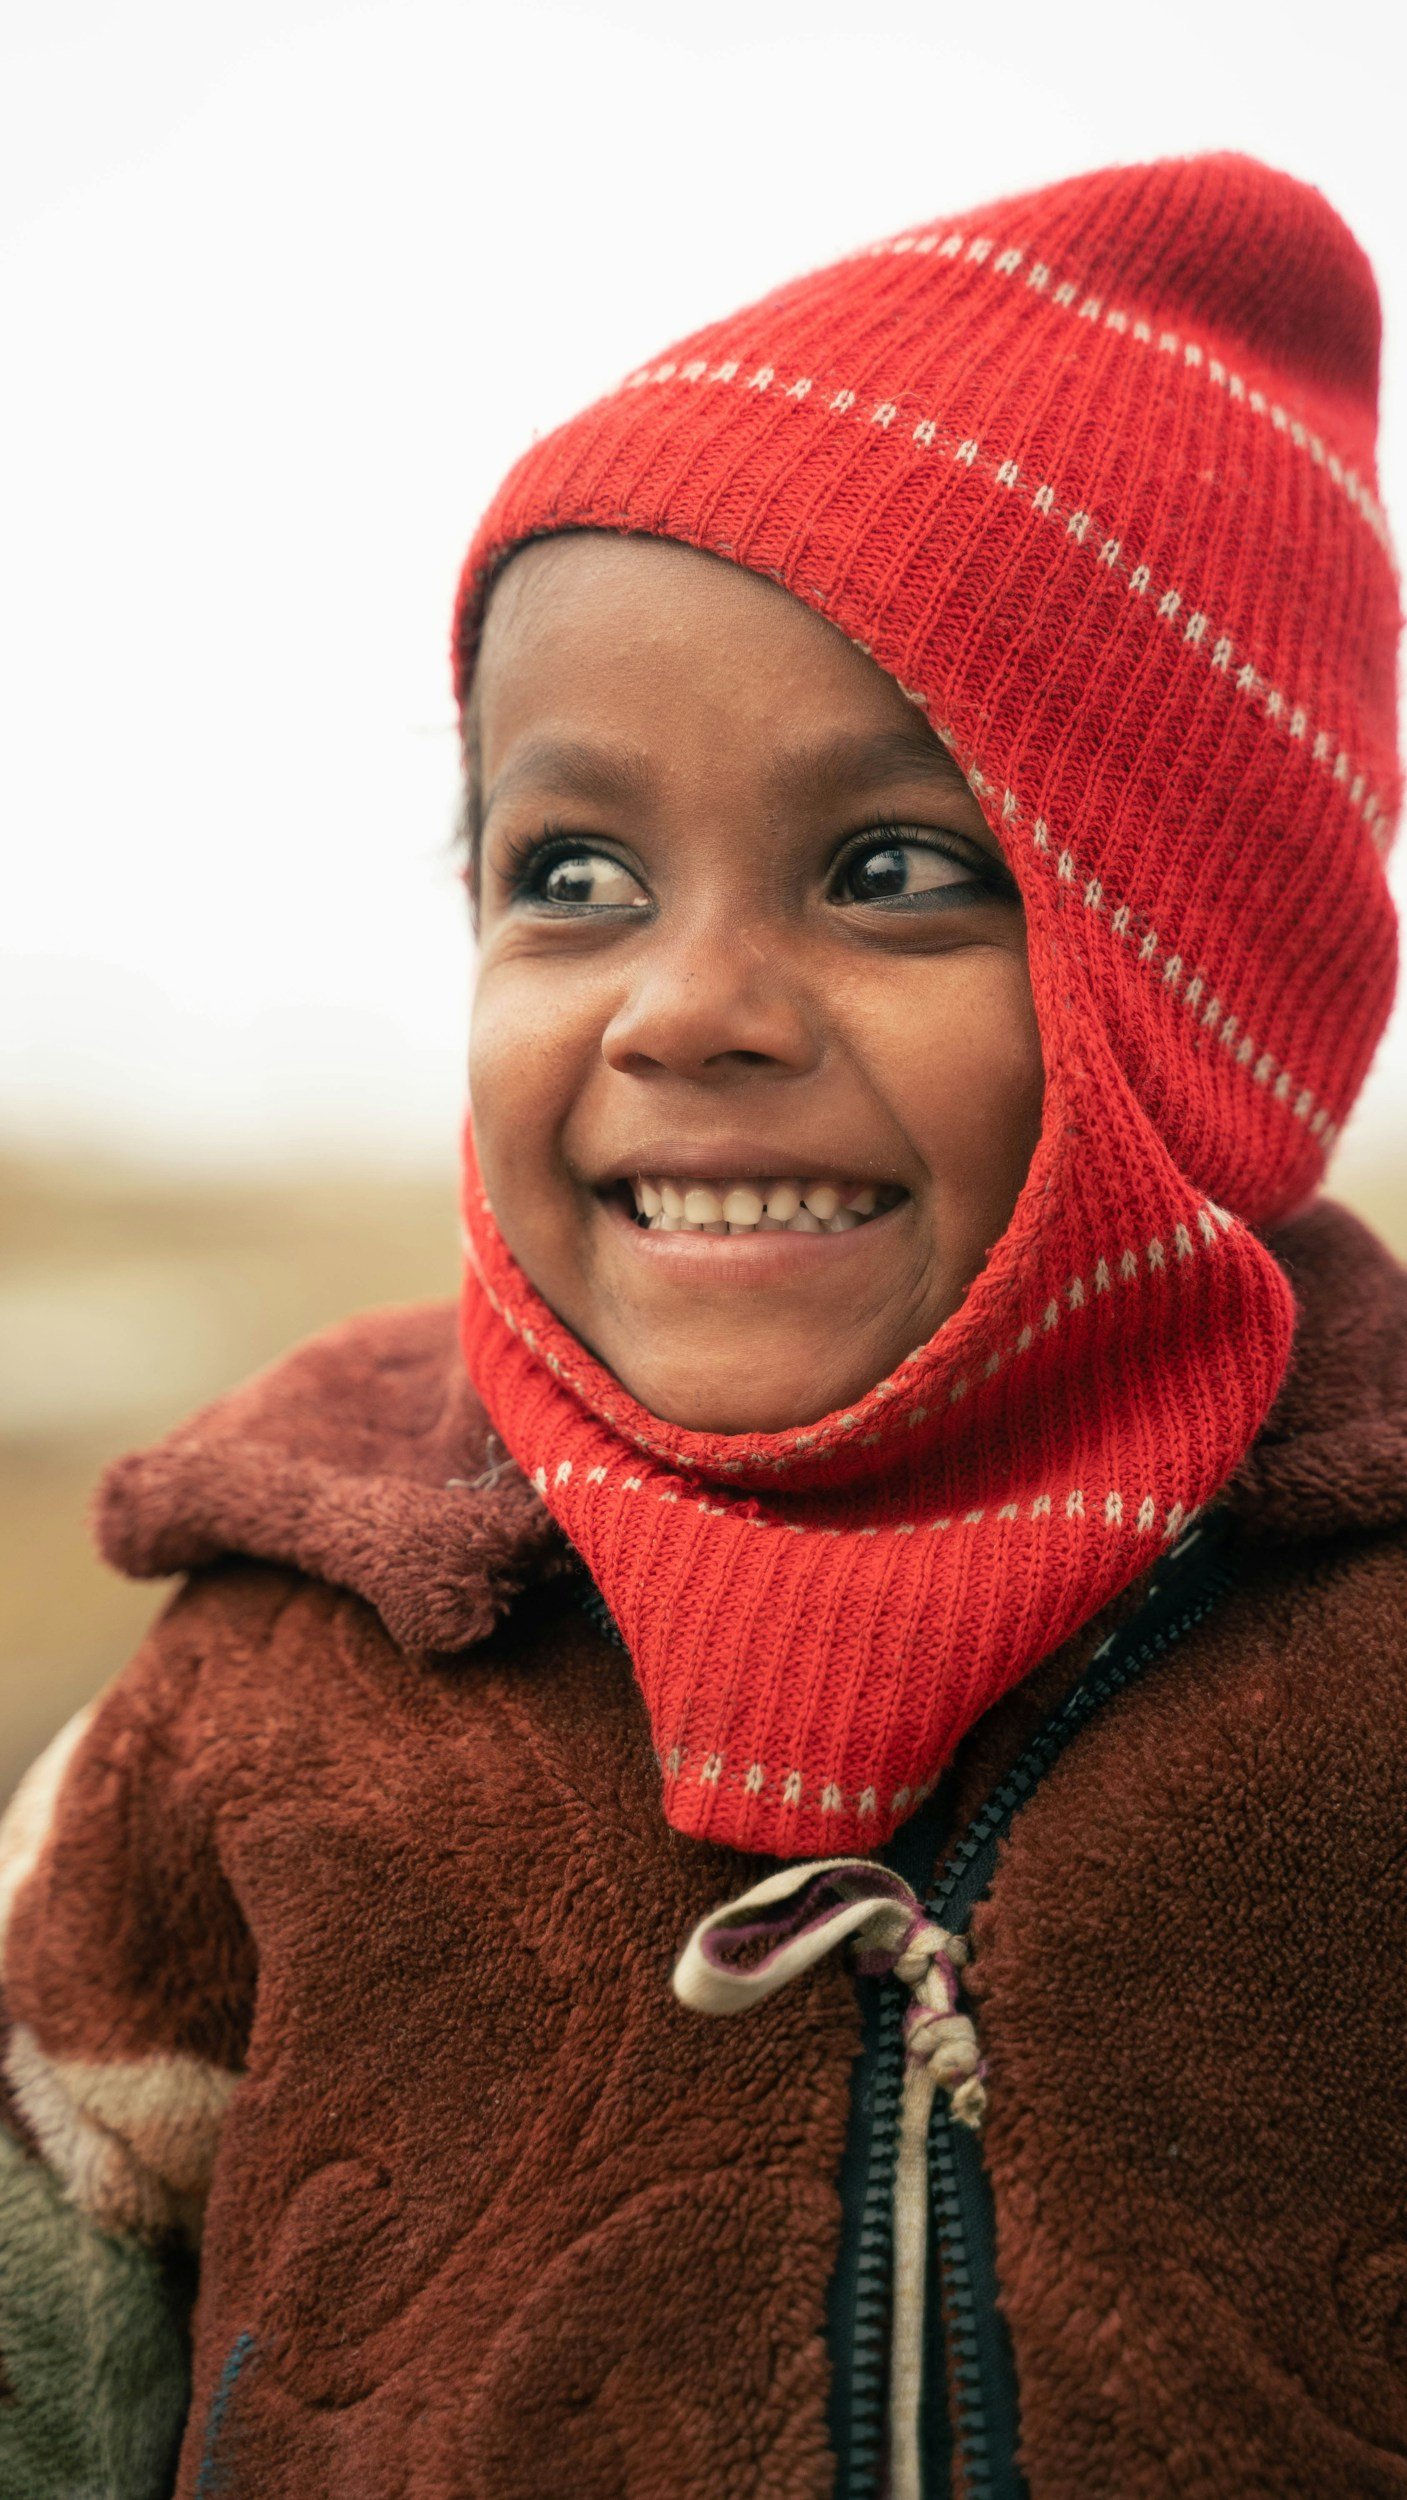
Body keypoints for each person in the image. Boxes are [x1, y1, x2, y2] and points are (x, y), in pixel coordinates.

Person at [1, 148, 1403, 2500]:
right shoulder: (269, 1670)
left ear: (1209, 973)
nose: (685, 1005)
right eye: (572, 874)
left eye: (890, 869)